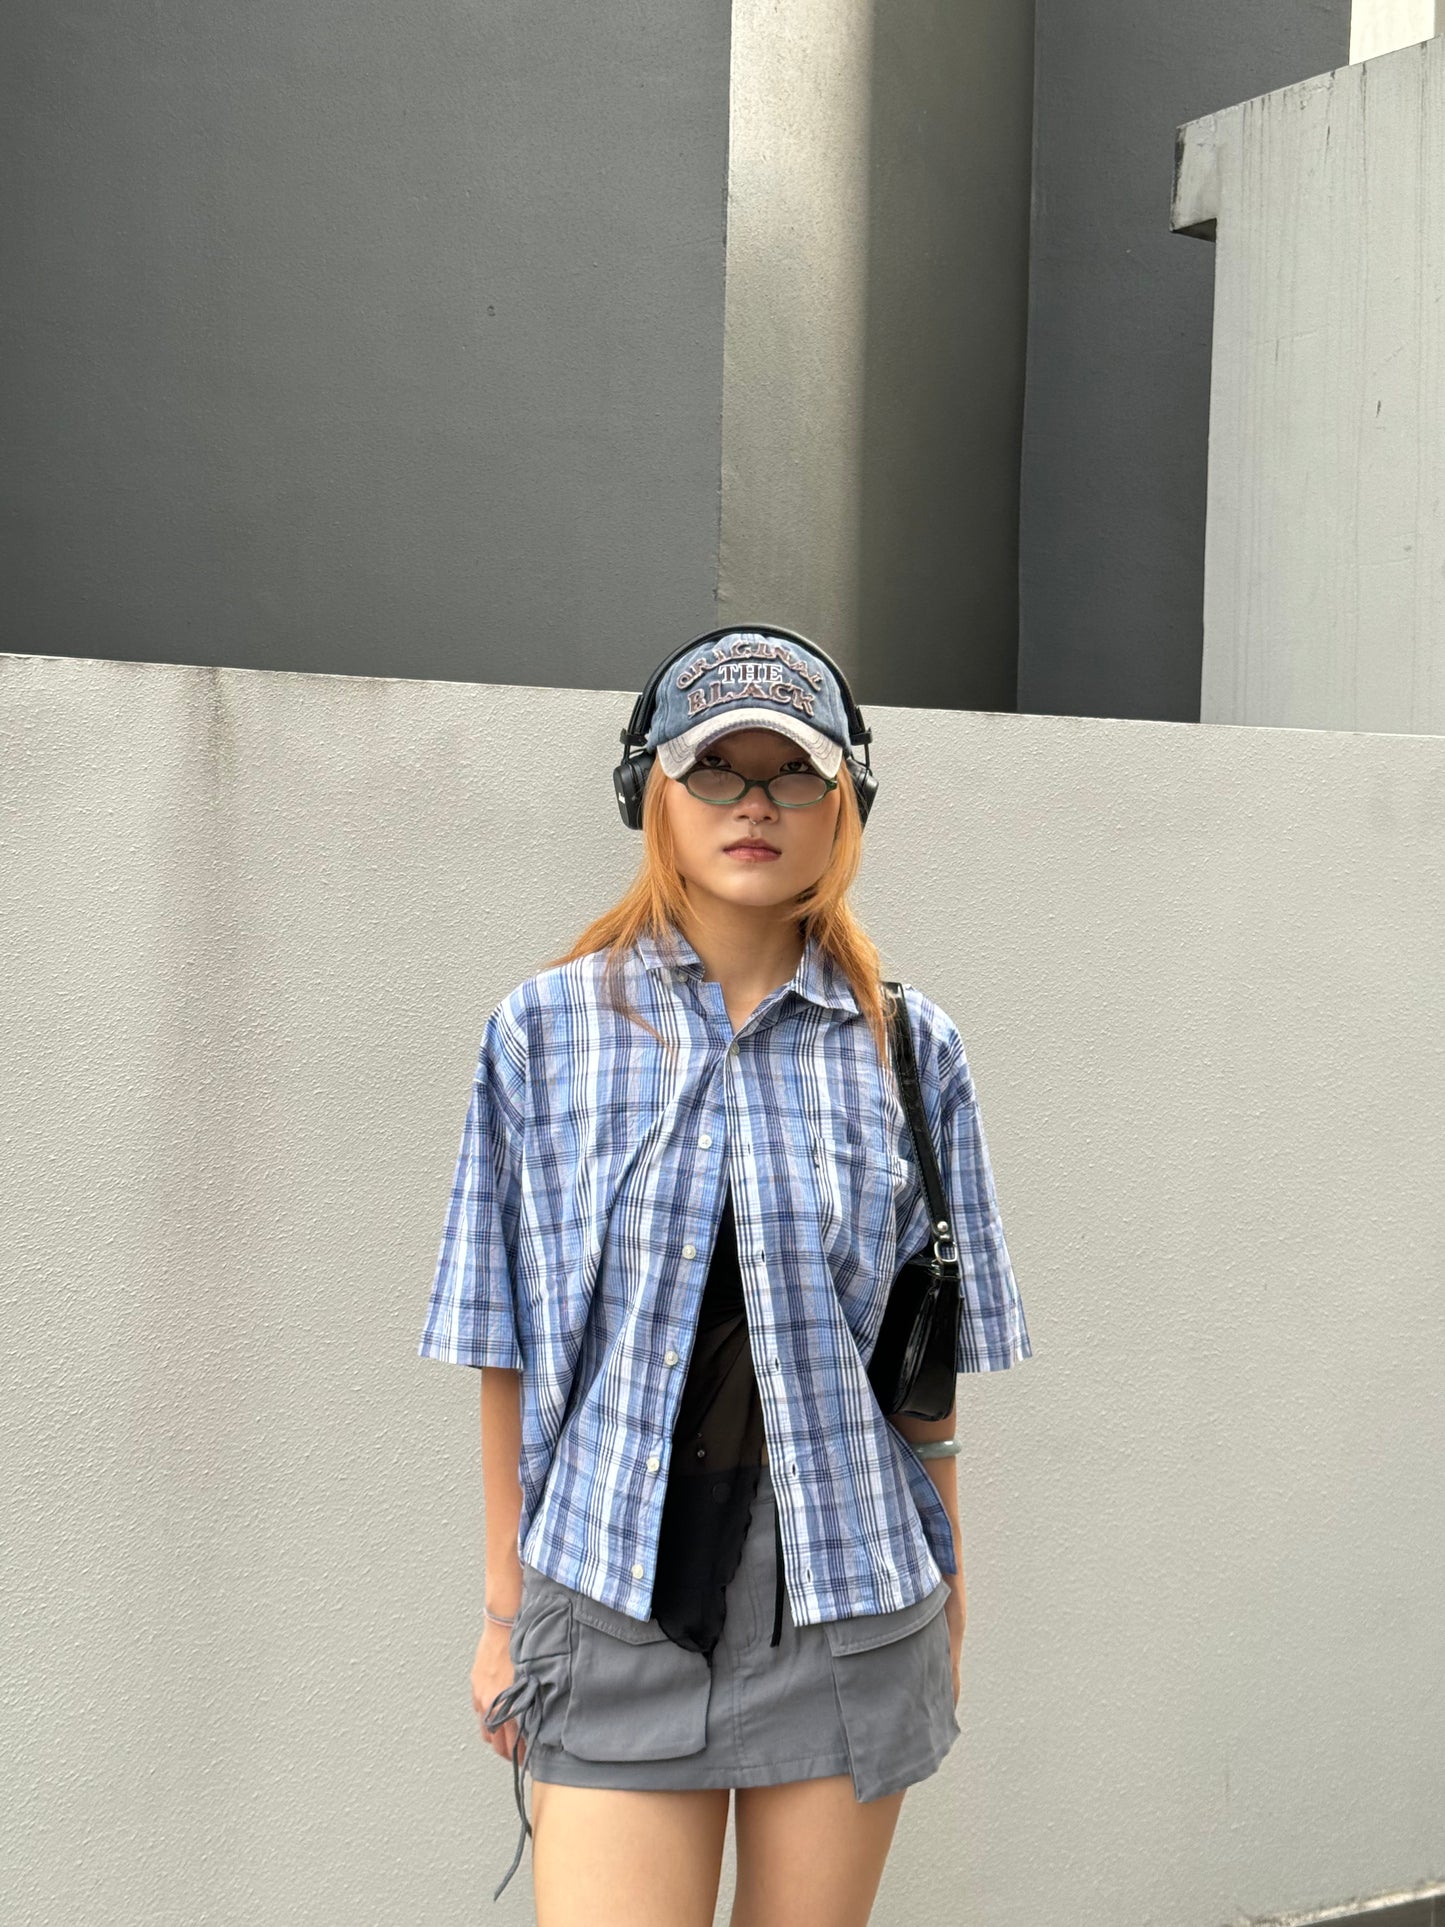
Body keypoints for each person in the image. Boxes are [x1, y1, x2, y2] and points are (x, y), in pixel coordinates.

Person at [418, 626, 1033, 1927]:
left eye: (791, 774)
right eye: (716, 772)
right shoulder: (545, 1031)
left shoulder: (911, 1052)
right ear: (653, 794)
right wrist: (498, 1611)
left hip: (851, 1603)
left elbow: (924, 1376)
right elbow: (501, 1338)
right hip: (612, 1601)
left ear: (842, 806)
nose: (754, 804)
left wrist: (955, 1601)